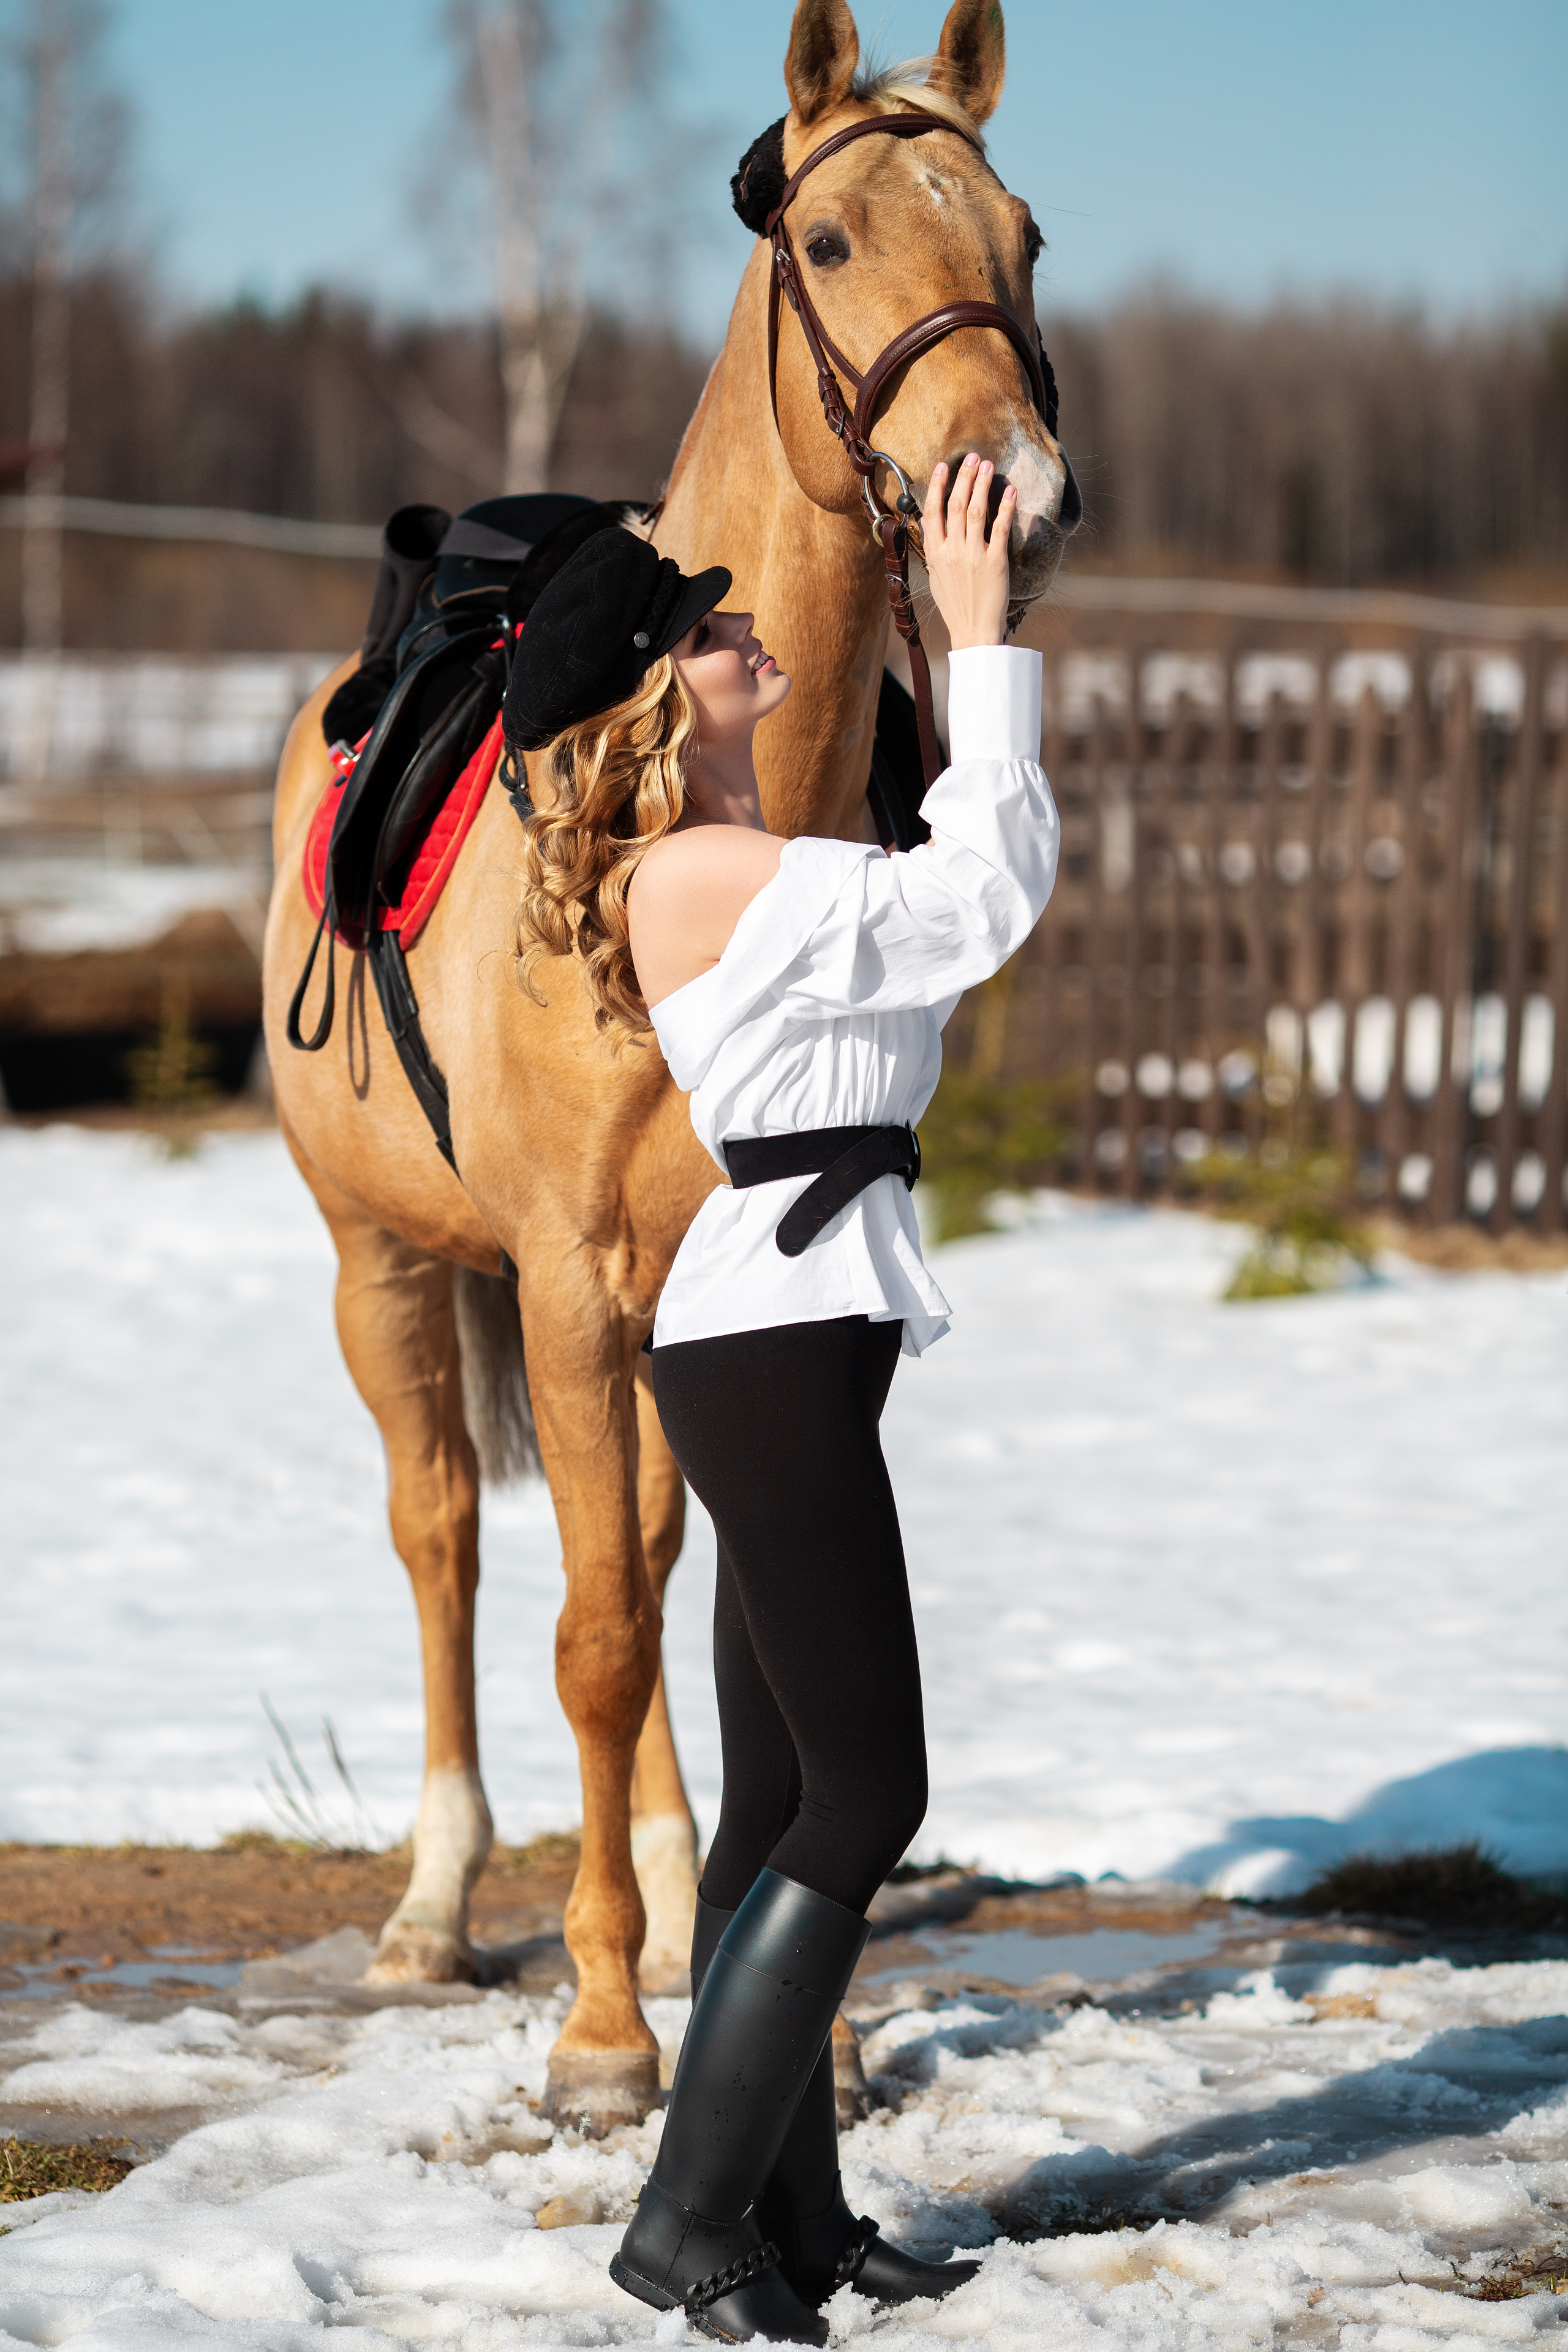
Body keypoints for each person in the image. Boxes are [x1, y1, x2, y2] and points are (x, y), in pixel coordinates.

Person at [504, 454, 1059, 2345]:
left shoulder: (768, 861)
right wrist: (985, 653)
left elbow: (919, 929)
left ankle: (802, 2226)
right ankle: (687, 2219)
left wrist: (933, 669)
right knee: (873, 1791)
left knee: (777, 1804)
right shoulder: (705, 872)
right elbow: (982, 900)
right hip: (767, 1343)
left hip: (795, 1329)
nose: (749, 627)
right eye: (710, 627)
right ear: (660, 691)